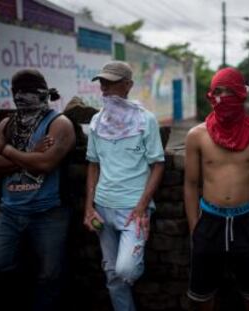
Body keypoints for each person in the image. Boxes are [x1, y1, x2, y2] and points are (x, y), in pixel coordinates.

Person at [184, 67, 249, 311]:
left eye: (229, 91)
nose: (223, 97)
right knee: (203, 298)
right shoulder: (197, 135)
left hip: (247, 221)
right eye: (217, 92)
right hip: (208, 221)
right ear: (211, 96)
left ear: (242, 94)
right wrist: (195, 228)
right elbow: (191, 184)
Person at [83, 61, 165, 311]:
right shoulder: (97, 121)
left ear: (128, 85)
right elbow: (93, 165)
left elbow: (158, 165)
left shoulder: (145, 120)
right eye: (102, 82)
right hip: (103, 208)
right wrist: (88, 207)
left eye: (111, 82)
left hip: (133, 211)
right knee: (111, 274)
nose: (105, 88)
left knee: (124, 269)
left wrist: (142, 207)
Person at [0, 69, 76, 310]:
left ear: (43, 94)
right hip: (9, 211)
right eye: (16, 92)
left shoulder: (59, 124)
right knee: (0, 265)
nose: (20, 97)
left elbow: (45, 164)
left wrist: (6, 150)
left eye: (27, 92)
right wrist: (32, 155)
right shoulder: (6, 124)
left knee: (49, 276)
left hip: (48, 212)